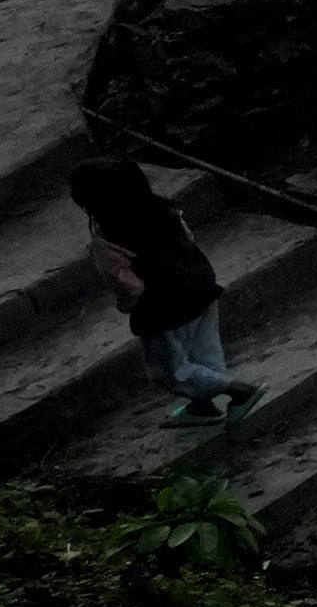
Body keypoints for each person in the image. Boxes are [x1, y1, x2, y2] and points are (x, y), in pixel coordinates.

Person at [72, 163, 241, 424]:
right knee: (204, 352)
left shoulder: (107, 243)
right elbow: (188, 239)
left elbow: (130, 286)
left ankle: (239, 392)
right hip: (200, 287)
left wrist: (129, 305)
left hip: (164, 308)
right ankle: (202, 405)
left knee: (169, 371)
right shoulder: (166, 211)